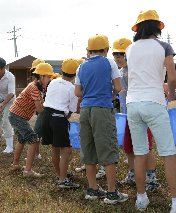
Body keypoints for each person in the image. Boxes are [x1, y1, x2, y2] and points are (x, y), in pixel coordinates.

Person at [126, 10, 176, 212]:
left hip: (133, 104)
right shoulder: (164, 46)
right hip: (154, 102)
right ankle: (174, 202)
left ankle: (141, 198)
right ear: (157, 27)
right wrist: (171, 95)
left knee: (140, 154)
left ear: (138, 28)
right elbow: (172, 78)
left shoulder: (130, 48)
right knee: (169, 153)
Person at [75, 34, 128, 204]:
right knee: (107, 149)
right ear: (106, 50)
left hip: (85, 110)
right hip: (102, 109)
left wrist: (90, 95)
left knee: (88, 150)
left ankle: (93, 189)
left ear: (89, 51)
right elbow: (118, 87)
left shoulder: (81, 66)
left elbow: (77, 92)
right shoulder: (109, 62)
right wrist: (109, 94)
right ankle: (112, 193)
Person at [112, 37, 160, 191]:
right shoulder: (119, 73)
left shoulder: (136, 70)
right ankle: (132, 174)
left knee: (145, 146)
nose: (118, 58)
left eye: (121, 54)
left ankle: (152, 178)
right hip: (128, 114)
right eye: (115, 54)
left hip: (142, 113)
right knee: (129, 146)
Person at [9, 62, 54, 178]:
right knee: (33, 140)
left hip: (14, 115)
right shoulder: (34, 88)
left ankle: (15, 164)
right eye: (48, 77)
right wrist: (51, 111)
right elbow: (39, 108)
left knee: (21, 139)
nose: (49, 79)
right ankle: (28, 171)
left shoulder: (36, 86)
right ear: (42, 76)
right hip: (17, 116)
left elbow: (41, 104)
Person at [42, 58, 80, 189]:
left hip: (46, 115)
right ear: (75, 74)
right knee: (66, 150)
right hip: (58, 117)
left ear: (62, 70)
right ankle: (63, 180)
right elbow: (72, 110)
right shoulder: (72, 88)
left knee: (55, 147)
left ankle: (60, 175)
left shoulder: (53, 81)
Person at [31, 58, 46, 160]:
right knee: (37, 132)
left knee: (37, 132)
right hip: (42, 110)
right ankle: (36, 154)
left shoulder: (47, 82)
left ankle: (36, 154)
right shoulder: (36, 83)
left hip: (46, 110)